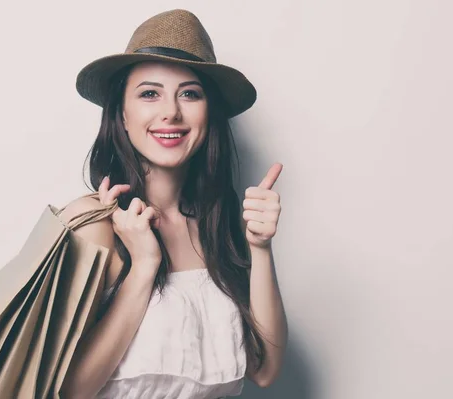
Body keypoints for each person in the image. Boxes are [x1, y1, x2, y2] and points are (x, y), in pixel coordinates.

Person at [57, 9, 288, 399]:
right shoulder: (93, 224)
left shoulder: (217, 223)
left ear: (208, 113)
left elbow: (264, 370)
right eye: (149, 93)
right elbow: (68, 391)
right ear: (122, 115)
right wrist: (144, 267)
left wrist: (261, 250)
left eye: (189, 93)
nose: (171, 112)